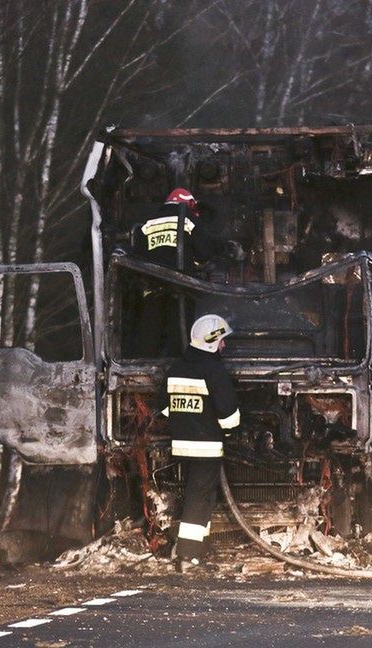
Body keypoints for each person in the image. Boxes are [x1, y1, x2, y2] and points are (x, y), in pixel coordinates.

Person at [156, 314, 240, 571]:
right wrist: (229, 433)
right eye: (222, 341)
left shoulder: (175, 369)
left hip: (182, 445)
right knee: (199, 499)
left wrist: (185, 423)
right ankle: (187, 556)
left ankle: (199, 549)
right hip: (207, 447)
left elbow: (164, 407)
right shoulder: (214, 371)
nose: (224, 345)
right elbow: (229, 415)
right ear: (211, 343)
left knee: (202, 497)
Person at [133, 188, 215, 357]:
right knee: (179, 334)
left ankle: (145, 363)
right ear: (189, 204)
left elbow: (137, 256)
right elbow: (204, 253)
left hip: (153, 288)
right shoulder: (189, 220)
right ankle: (177, 364)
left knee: (149, 333)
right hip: (181, 288)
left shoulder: (149, 223)